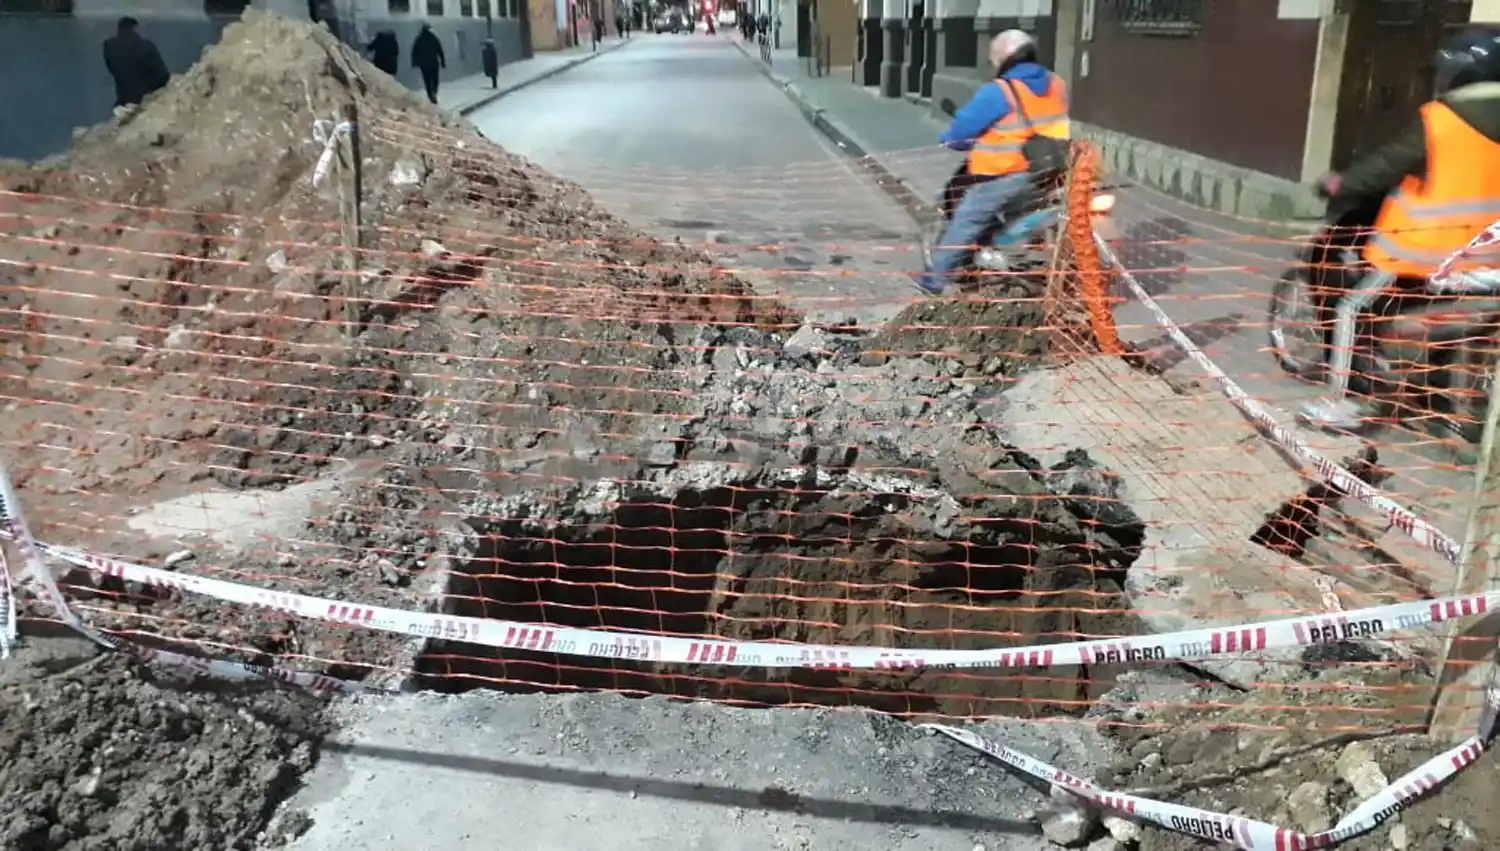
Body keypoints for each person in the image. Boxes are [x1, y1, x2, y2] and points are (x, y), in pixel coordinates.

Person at [1300, 26, 1500, 432]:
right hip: (1488, 264)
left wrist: (1340, 182)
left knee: (1351, 309)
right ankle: (1433, 399)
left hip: (1423, 257)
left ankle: (1342, 404)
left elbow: (1385, 166)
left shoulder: (1441, 120)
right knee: (1451, 325)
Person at [910, 29, 1068, 296]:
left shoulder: (999, 91)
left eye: (993, 59)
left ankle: (934, 281)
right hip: (1048, 169)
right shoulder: (1056, 84)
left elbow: (960, 132)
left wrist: (952, 139)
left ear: (1004, 58)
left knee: (966, 220)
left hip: (1005, 175)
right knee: (1014, 215)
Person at [102, 16, 170, 109]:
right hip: (144, 95)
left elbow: (111, 68)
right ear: (135, 29)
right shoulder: (145, 46)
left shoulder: (109, 46)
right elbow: (162, 74)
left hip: (123, 96)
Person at [411, 23, 446, 104]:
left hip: (424, 64)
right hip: (433, 63)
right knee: (435, 80)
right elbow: (440, 51)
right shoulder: (434, 38)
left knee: (427, 80)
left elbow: (414, 51)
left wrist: (414, 62)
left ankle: (430, 95)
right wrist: (443, 62)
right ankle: (434, 92)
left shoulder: (419, 39)